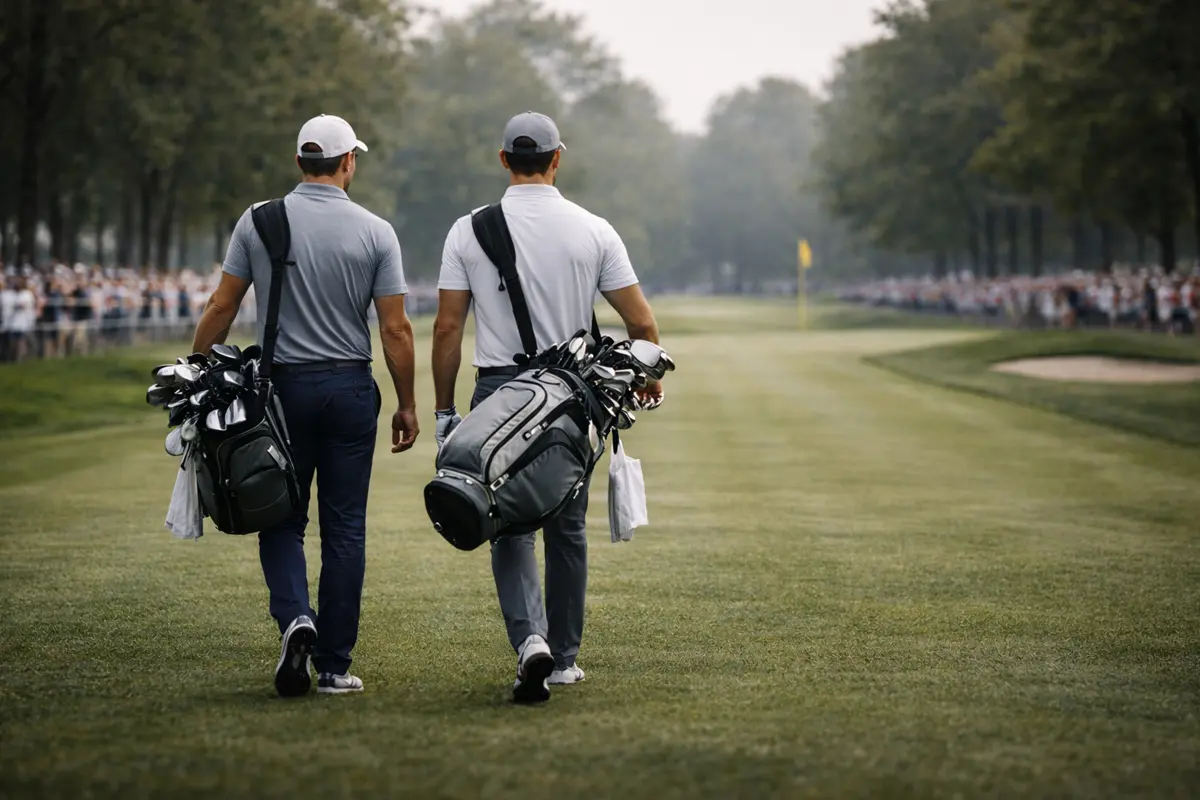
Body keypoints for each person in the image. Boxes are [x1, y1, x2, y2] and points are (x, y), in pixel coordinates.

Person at [431, 111, 663, 704]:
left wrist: (440, 412)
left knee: (506, 524)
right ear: (558, 158)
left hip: (497, 392)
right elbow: (640, 323)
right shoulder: (594, 229)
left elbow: (448, 330)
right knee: (565, 527)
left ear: (504, 160)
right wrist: (646, 380)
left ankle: (528, 640)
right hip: (567, 396)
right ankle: (562, 658)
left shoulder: (468, 230)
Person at [191, 114, 419, 698]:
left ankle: (296, 617)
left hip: (279, 392)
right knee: (344, 527)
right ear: (348, 163)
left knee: (282, 516)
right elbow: (395, 331)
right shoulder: (376, 231)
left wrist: (198, 372)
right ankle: (335, 665)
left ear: (299, 163)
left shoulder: (258, 220)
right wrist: (408, 404)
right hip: (348, 389)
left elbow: (222, 306)